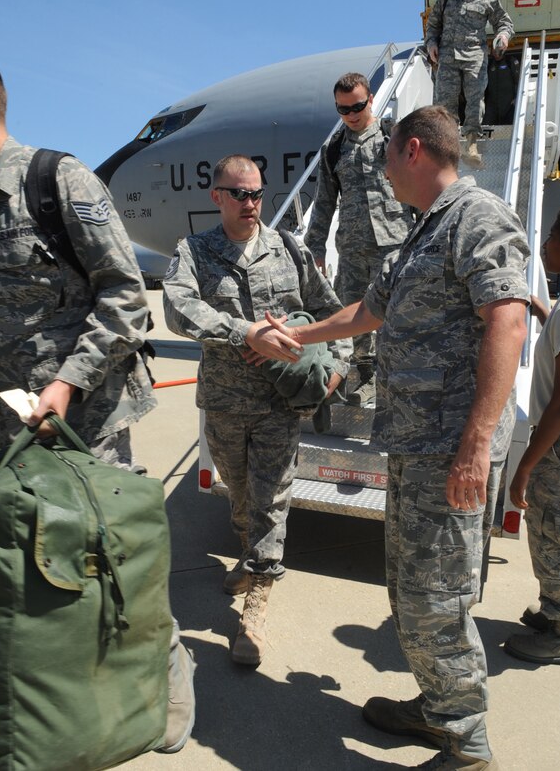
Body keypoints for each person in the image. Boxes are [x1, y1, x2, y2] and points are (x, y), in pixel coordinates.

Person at [249, 106, 530, 769]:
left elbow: (509, 325)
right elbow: (366, 312)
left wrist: (475, 445)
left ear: (410, 149)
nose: (380, 175)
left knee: (439, 595)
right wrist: (295, 337)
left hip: (450, 449)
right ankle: (438, 707)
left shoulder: (476, 216)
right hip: (413, 443)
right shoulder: (419, 237)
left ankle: (466, 740)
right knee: (410, 588)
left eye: (384, 160)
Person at [0, 71, 194, 754]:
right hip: (10, 427)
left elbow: (126, 299)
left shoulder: (56, 181)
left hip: (84, 420)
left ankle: (165, 675)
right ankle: (52, 693)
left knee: (112, 555)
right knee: (29, 566)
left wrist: (67, 382)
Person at [163, 154, 351, 666]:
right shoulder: (195, 252)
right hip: (224, 405)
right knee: (241, 498)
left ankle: (256, 606)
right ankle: (250, 559)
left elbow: (335, 314)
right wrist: (244, 331)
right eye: (238, 193)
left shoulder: (289, 248)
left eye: (257, 194)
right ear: (216, 196)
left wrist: (337, 370)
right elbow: (179, 308)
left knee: (271, 503)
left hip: (278, 407)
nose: (250, 203)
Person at [504, 205, 560, 667]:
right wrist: (544, 313)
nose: (547, 243)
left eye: (555, 236)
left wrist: (527, 467)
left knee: (557, 535)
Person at [304, 72, 410, 406]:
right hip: (351, 247)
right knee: (354, 314)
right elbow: (323, 202)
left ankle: (394, 380)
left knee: (395, 313)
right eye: (343, 109)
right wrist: (315, 247)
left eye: (358, 106)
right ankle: (363, 379)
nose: (351, 115)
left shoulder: (395, 137)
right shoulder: (333, 149)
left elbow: (421, 185)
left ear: (371, 100)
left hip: (394, 242)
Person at [425, 0, 514, 167]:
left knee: (475, 100)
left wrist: (503, 37)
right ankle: (448, 146)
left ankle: (472, 145)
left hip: (475, 55)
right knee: (445, 102)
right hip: (448, 57)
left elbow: (504, 23)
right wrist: (431, 44)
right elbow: (433, 26)